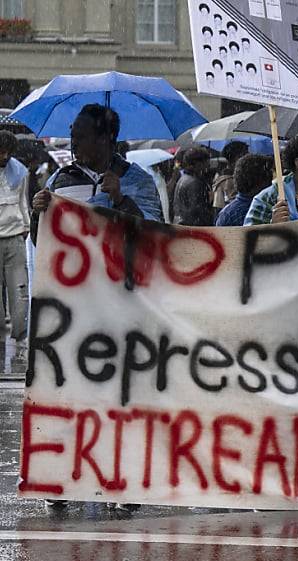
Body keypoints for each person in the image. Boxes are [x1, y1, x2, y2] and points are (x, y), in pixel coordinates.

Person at [32, 104, 163, 227]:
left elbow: (154, 234)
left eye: (81, 137)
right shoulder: (59, 181)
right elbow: (43, 241)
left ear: (103, 139)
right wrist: (38, 215)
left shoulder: (138, 181)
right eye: (73, 137)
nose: (74, 144)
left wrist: (120, 201)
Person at [0, 131, 30, 366]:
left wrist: (26, 226)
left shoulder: (19, 172)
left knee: (19, 292)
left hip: (15, 238)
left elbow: (23, 203)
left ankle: (20, 340)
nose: (3, 155)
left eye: (7, 152)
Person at [216, 154, 272, 226]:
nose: (272, 183)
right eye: (270, 176)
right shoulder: (257, 212)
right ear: (260, 181)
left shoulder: (227, 212)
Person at [173, 147, 216, 226]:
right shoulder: (195, 183)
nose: (208, 165)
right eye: (206, 162)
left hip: (181, 227)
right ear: (198, 163)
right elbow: (199, 212)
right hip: (192, 229)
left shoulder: (182, 179)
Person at [211, 141, 249, 210]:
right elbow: (218, 207)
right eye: (244, 155)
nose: (247, 158)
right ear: (236, 158)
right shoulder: (224, 180)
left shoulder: (245, 175)